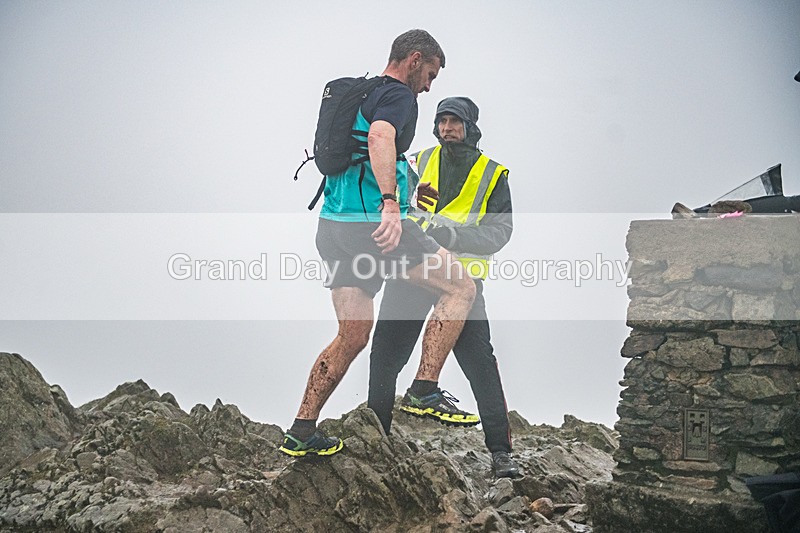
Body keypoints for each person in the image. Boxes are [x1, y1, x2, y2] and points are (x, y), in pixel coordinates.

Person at [279, 30, 478, 457]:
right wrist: (392, 204)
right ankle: (425, 388)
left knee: (352, 335)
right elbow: (379, 138)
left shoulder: (359, 92)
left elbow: (361, 147)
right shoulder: (398, 96)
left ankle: (301, 428)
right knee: (461, 287)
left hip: (333, 227)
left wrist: (404, 189)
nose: (428, 85)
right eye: (429, 74)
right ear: (414, 59)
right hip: (375, 226)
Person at [367, 96, 521, 477]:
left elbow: (501, 232)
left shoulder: (493, 174)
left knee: (481, 366)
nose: (447, 128)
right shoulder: (417, 163)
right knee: (385, 357)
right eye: (442, 121)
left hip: (462, 281)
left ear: (471, 126)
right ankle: (377, 440)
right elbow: (398, 207)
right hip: (414, 271)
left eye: (455, 121)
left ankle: (501, 455)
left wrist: (450, 234)